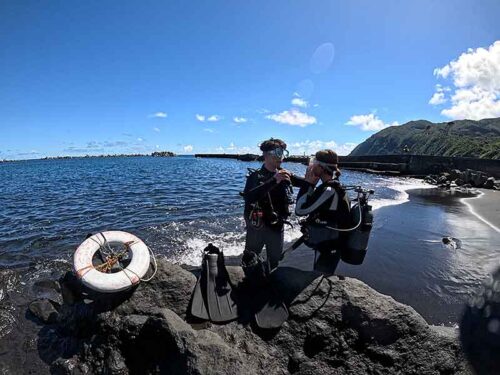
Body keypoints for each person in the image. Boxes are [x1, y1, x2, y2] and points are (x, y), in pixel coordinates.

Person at [242, 138, 309, 272]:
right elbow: (249, 197)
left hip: (277, 226)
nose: (281, 157)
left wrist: (312, 178)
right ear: (266, 155)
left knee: (274, 260)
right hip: (257, 227)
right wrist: (274, 180)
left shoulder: (285, 174)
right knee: (250, 259)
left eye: (283, 152)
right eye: (278, 152)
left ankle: (268, 284)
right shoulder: (255, 177)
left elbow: (306, 184)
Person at [295, 149, 351, 272]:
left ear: (321, 167)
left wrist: (308, 184)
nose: (311, 166)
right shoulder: (335, 186)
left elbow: (300, 210)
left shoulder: (328, 190)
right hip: (331, 243)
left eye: (314, 163)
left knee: (320, 278)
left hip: (328, 246)